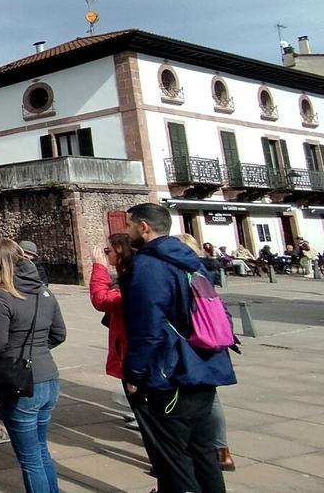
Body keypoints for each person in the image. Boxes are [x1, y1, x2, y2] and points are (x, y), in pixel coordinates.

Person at [124, 203, 236, 493]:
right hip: (206, 364)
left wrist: (134, 373)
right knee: (204, 452)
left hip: (173, 372)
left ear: (144, 227)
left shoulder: (149, 264)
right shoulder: (191, 260)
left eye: (129, 225)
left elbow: (147, 326)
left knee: (175, 460)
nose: (127, 231)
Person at [0, 239, 67, 493]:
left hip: (20, 382)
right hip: (48, 376)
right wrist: (36, 349)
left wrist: (17, 352)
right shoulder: (44, 291)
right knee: (41, 450)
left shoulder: (1, 294)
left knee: (30, 460)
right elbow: (59, 334)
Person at [174, 235, 236, 472]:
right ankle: (222, 450)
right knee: (210, 397)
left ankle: (193, 451)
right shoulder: (202, 273)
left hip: (193, 343)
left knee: (190, 399)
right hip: (212, 341)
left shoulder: (180, 275)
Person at [88, 234, 143, 432]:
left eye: (108, 250)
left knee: (140, 394)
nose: (105, 254)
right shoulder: (128, 274)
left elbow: (102, 300)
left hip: (133, 348)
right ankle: (140, 415)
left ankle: (144, 420)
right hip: (127, 345)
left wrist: (99, 267)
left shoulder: (134, 278)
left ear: (120, 252)